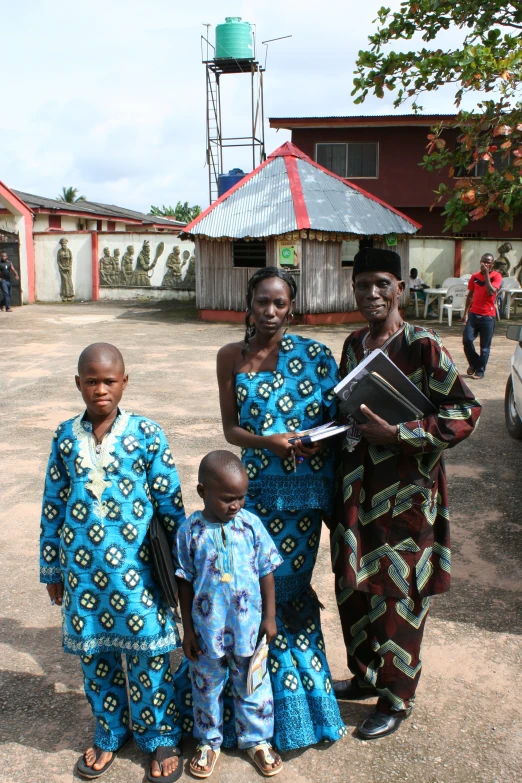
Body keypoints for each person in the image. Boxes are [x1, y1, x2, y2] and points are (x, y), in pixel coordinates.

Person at [331, 247, 481, 740]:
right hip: (357, 490)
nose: (371, 294)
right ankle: (366, 675)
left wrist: (401, 435)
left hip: (407, 496)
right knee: (353, 588)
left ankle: (397, 698)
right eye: (361, 285)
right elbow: (346, 407)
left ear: (400, 287)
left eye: (381, 284)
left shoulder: (423, 346)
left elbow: (464, 413)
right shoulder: (354, 345)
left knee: (398, 594)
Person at [211, 266, 346, 751]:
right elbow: (231, 431)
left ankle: (297, 703)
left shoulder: (314, 355)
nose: (270, 311)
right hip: (252, 495)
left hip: (303, 498)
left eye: (280, 304)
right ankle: (248, 704)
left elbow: (337, 419)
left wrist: (315, 444)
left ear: (292, 308)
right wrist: (268, 442)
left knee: (289, 589)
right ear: (249, 305)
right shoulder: (231, 356)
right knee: (250, 588)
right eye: (263, 302)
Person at [40, 343, 185, 782]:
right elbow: (53, 503)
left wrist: (181, 569)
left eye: (108, 381)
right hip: (83, 576)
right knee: (95, 657)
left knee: (151, 656)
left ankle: (159, 734)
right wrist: (52, 568)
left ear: (124, 382)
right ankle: (109, 729)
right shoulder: (65, 436)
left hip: (138, 576)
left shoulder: (147, 434)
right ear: (78, 383)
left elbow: (170, 505)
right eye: (91, 381)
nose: (100, 390)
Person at [175, 450, 284, 778]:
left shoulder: (251, 525)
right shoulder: (190, 531)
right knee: (206, 688)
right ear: (202, 492)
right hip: (207, 631)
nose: (235, 505)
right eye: (226, 499)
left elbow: (266, 570)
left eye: (240, 498)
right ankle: (209, 741)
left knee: (252, 684)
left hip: (248, 629)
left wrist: (269, 617)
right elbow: (184, 580)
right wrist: (189, 632)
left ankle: (257, 740)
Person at [462, 253, 502, 379]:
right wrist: (465, 313)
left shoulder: (497, 276)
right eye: (483, 261)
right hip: (474, 314)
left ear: (492, 264)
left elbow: (491, 292)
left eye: (488, 262)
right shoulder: (474, 277)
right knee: (467, 340)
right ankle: (474, 363)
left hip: (487, 317)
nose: (485, 264)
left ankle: (479, 371)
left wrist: (486, 275)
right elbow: (470, 295)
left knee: (484, 347)